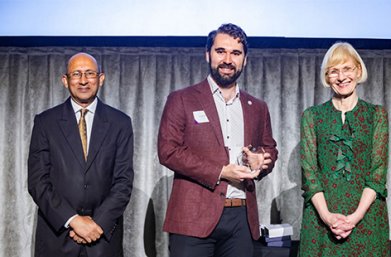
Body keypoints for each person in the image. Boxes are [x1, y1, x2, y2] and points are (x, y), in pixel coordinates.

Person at [157, 23, 278, 257]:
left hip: (241, 220)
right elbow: (168, 150)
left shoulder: (258, 107)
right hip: (193, 218)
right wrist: (221, 171)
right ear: (207, 54)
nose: (228, 59)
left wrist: (261, 160)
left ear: (245, 60)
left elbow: (270, 149)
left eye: (236, 53)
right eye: (220, 51)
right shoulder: (181, 99)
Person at [27, 52, 134, 257]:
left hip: (102, 239)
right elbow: (37, 181)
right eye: (76, 74)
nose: (83, 80)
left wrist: (97, 224)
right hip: (57, 237)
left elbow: (123, 181)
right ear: (65, 80)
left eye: (89, 73)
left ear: (101, 79)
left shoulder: (120, 122)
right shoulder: (45, 122)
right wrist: (73, 220)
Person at [299, 42, 390, 256]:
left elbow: (377, 174)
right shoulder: (312, 116)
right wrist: (327, 216)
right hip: (321, 221)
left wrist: (354, 218)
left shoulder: (376, 115)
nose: (341, 77)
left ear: (358, 71)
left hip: (366, 219)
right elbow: (310, 173)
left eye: (347, 69)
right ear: (327, 77)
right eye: (334, 71)